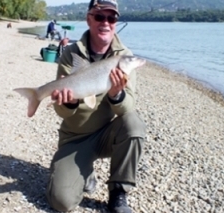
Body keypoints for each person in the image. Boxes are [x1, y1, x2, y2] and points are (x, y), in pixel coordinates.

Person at [46, 0, 146, 212]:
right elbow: (60, 111)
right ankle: (84, 172)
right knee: (61, 203)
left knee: (134, 124)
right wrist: (70, 101)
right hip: (74, 138)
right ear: (89, 19)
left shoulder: (125, 57)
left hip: (106, 135)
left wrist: (116, 93)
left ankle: (118, 193)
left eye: (112, 18)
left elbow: (128, 108)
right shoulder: (70, 53)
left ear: (116, 23)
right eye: (100, 16)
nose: (106, 23)